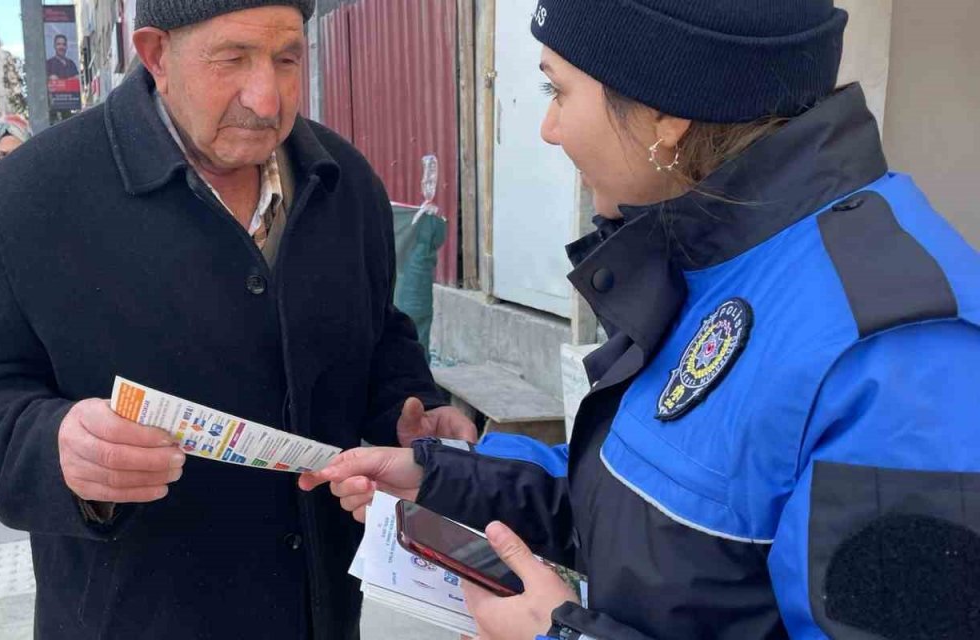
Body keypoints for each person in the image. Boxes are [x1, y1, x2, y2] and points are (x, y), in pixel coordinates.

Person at [303, 0, 980, 639]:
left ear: (666, 114)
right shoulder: (712, 262)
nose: (548, 128)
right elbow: (642, 510)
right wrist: (445, 477)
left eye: (557, 90)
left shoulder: (903, 355)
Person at [0, 1, 476, 638]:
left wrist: (409, 411)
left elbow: (380, 335)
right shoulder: (26, 200)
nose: (266, 99)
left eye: (287, 58)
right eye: (233, 59)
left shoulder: (344, 183)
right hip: (133, 618)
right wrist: (56, 449)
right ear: (156, 54)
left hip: (320, 613)